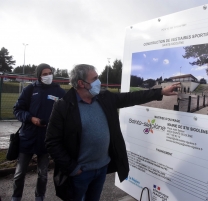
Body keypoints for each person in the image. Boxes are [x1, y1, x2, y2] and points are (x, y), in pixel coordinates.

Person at [45, 64, 179, 201]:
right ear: (81, 83)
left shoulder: (104, 98)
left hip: (102, 168)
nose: (99, 82)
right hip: (79, 173)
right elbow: (52, 142)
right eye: (95, 78)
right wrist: (73, 168)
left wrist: (160, 92)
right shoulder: (63, 106)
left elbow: (131, 97)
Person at [12, 63, 66, 201]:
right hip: (27, 137)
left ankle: (39, 197)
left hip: (46, 139)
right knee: (19, 173)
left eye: (50, 73)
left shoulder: (59, 92)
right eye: (44, 74)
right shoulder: (30, 90)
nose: (48, 76)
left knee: (42, 174)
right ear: (39, 76)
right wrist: (31, 119)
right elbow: (17, 110)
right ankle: (16, 197)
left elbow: (66, 112)